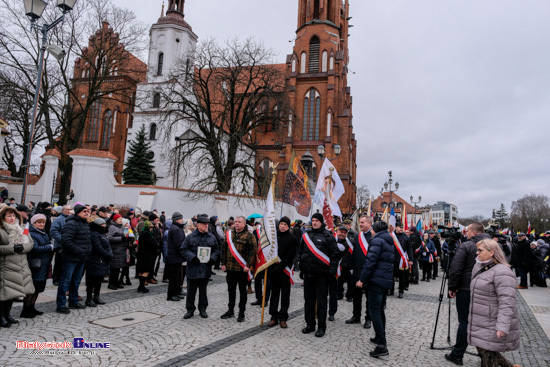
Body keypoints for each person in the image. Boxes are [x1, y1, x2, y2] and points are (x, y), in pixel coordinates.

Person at [468, 239, 520, 367]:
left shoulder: (503, 272)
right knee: (485, 350)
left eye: (480, 250)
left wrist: (502, 326)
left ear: (491, 252)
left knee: (488, 355)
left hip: (492, 322)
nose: (477, 252)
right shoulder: (478, 266)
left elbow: (507, 302)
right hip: (480, 321)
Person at [445, 223, 490, 366]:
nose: (466, 233)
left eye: (468, 231)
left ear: (474, 232)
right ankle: (486, 358)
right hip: (486, 289)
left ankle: (457, 354)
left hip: (466, 288)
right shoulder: (493, 246)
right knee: (483, 323)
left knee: (464, 322)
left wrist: (452, 287)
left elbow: (456, 268)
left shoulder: (467, 245)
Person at [356, 220, 394, 358]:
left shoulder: (377, 241)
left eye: (372, 229)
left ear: (376, 230)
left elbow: (370, 261)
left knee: (374, 312)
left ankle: (382, 345)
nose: (370, 231)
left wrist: (362, 279)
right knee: (380, 310)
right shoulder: (388, 240)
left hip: (376, 281)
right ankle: (379, 336)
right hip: (384, 280)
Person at [298, 213, 338, 338]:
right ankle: (310, 324)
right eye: (313, 220)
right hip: (308, 275)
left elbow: (334, 256)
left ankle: (321, 327)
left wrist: (331, 272)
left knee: (321, 302)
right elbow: (301, 253)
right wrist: (301, 268)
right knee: (308, 302)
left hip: (322, 276)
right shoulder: (307, 235)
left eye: (317, 220)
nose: (314, 222)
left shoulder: (328, 236)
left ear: (321, 222)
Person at [0, 206, 35, 327]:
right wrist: (11, 248)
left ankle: (8, 314)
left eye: (13, 215)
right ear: (3, 217)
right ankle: (1, 317)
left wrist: (22, 248)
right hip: (6, 266)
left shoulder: (22, 228)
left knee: (13, 293)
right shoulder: (1, 229)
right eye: (8, 216)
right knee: (4, 293)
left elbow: (30, 243)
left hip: (20, 265)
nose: (11, 218)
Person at [181, 214, 219, 319]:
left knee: (203, 291)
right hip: (193, 268)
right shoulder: (190, 237)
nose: (206, 226)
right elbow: (183, 249)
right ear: (198, 225)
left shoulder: (211, 237)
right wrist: (192, 257)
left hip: (205, 269)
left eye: (207, 224)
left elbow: (216, 249)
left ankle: (203, 309)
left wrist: (212, 258)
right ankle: (190, 309)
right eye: (204, 224)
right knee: (191, 292)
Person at [56, 204, 91, 314]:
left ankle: (73, 301)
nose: (86, 212)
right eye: (84, 211)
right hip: (71, 257)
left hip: (81, 257)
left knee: (76, 281)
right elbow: (66, 241)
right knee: (65, 281)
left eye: (87, 211)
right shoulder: (71, 223)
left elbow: (86, 240)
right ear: (78, 212)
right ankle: (61, 304)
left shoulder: (85, 224)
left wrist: (87, 250)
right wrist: (79, 251)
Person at [220, 215, 256, 322]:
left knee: (242, 292)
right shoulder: (229, 234)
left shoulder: (249, 236)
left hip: (242, 269)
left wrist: (248, 265)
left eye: (239, 222)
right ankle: (230, 310)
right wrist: (223, 263)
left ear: (244, 224)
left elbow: (253, 252)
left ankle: (241, 312)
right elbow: (223, 249)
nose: (236, 223)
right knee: (231, 291)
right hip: (230, 268)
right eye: (235, 221)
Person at [20, 214, 54, 318]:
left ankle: (32, 307)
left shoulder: (43, 233)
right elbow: (34, 249)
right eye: (39, 222)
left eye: (43, 222)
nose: (41, 224)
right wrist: (49, 247)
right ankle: (26, 309)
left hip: (43, 265)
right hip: (35, 265)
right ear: (34, 223)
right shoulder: (31, 233)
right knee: (31, 289)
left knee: (38, 288)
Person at [268, 216, 298, 328]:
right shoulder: (273, 237)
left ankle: (283, 318)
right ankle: (273, 317)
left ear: (288, 226)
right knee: (274, 295)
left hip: (285, 271)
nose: (283, 226)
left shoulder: (292, 238)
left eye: (285, 224)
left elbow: (289, 257)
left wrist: (279, 268)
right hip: (273, 271)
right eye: (281, 224)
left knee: (285, 295)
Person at [346, 215, 374, 329]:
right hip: (357, 271)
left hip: (369, 272)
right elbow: (353, 253)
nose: (360, 224)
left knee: (369, 297)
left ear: (369, 223)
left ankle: (368, 319)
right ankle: (356, 316)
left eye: (362, 222)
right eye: (360, 222)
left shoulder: (374, 237)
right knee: (356, 295)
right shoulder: (358, 236)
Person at [86, 218, 113, 307]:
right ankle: (89, 298)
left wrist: (109, 253)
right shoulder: (94, 234)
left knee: (99, 279)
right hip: (95, 259)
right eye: (102, 225)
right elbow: (97, 247)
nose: (104, 226)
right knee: (92, 279)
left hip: (103, 259)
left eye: (105, 225)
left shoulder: (102, 234)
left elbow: (107, 245)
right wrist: (107, 254)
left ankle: (96, 296)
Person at [328, 225, 350, 321]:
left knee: (333, 293)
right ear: (337, 231)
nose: (342, 234)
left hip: (334, 271)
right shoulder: (330, 238)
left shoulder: (345, 245)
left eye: (345, 233)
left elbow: (334, 252)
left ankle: (332, 312)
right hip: (324, 269)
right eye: (341, 232)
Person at [166, 212, 186, 302]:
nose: (182, 220)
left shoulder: (175, 227)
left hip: (174, 256)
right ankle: (172, 295)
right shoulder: (177, 229)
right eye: (181, 218)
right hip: (175, 256)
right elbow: (179, 244)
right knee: (174, 277)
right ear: (178, 219)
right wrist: (184, 252)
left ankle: (176, 292)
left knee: (177, 276)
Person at [50, 205, 71, 286]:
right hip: (60, 245)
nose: (68, 211)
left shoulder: (70, 219)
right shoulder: (58, 219)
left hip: (68, 245)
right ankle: (56, 279)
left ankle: (62, 278)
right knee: (58, 264)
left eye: (70, 209)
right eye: (67, 209)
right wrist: (63, 239)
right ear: (63, 210)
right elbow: (54, 231)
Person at [392, 221, 413, 298]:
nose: (401, 228)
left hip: (402, 260)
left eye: (402, 227)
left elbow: (409, 249)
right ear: (395, 227)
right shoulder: (391, 236)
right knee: (391, 276)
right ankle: (391, 290)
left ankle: (401, 291)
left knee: (402, 277)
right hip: (392, 259)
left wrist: (411, 260)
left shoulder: (406, 237)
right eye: (399, 227)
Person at [107, 214, 128, 290]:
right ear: (115, 220)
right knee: (114, 268)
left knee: (118, 268)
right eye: (119, 219)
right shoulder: (112, 227)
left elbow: (124, 235)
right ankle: (111, 284)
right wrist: (120, 238)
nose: (121, 220)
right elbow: (108, 238)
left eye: (121, 219)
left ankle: (116, 282)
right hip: (115, 250)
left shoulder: (121, 226)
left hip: (121, 250)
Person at [136, 221, 158, 293]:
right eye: (151, 227)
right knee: (146, 270)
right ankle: (142, 286)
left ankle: (140, 286)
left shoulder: (142, 233)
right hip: (147, 254)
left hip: (141, 254)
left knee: (141, 270)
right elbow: (152, 244)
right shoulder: (147, 234)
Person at [339, 218, 356, 302]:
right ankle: (339, 294)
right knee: (340, 279)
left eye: (348, 224)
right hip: (341, 260)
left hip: (350, 261)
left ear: (351, 225)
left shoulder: (354, 234)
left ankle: (349, 295)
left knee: (350, 281)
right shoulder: (339, 234)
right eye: (345, 224)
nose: (346, 226)